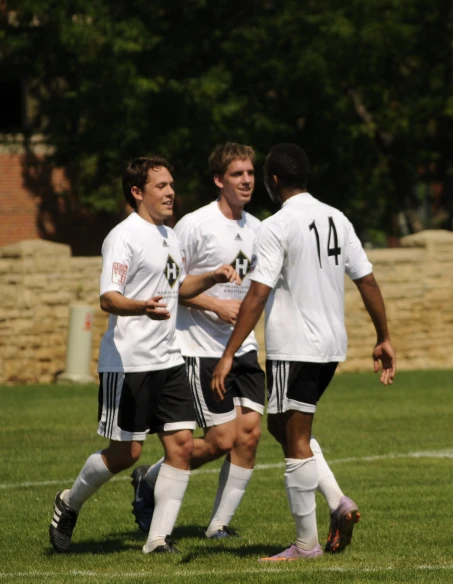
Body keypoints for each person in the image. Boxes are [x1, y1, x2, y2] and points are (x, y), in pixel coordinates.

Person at [131, 143, 362, 547]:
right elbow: (171, 288)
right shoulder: (194, 225)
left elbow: (261, 290)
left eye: (251, 173)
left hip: (243, 350)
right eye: (237, 174)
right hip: (199, 347)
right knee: (223, 439)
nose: (247, 180)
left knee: (251, 434)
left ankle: (218, 525)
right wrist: (213, 304)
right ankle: (152, 477)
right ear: (219, 180)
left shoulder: (261, 227)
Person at [212, 143, 396, 561]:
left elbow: (257, 294)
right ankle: (337, 502)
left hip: (294, 347)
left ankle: (305, 545)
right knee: (283, 428)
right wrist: (384, 337)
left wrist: (228, 353)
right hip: (331, 347)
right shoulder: (338, 218)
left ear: (273, 181)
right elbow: (367, 281)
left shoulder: (276, 226)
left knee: (293, 438)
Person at [48, 156, 238, 554]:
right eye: (161, 186)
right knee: (126, 453)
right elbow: (108, 298)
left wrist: (212, 276)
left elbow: (179, 288)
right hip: (129, 362)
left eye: (172, 184)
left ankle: (157, 540)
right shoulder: (124, 236)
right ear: (137, 192)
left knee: (182, 446)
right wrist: (141, 307)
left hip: (170, 360)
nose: (171, 192)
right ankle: (70, 502)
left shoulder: (170, 235)